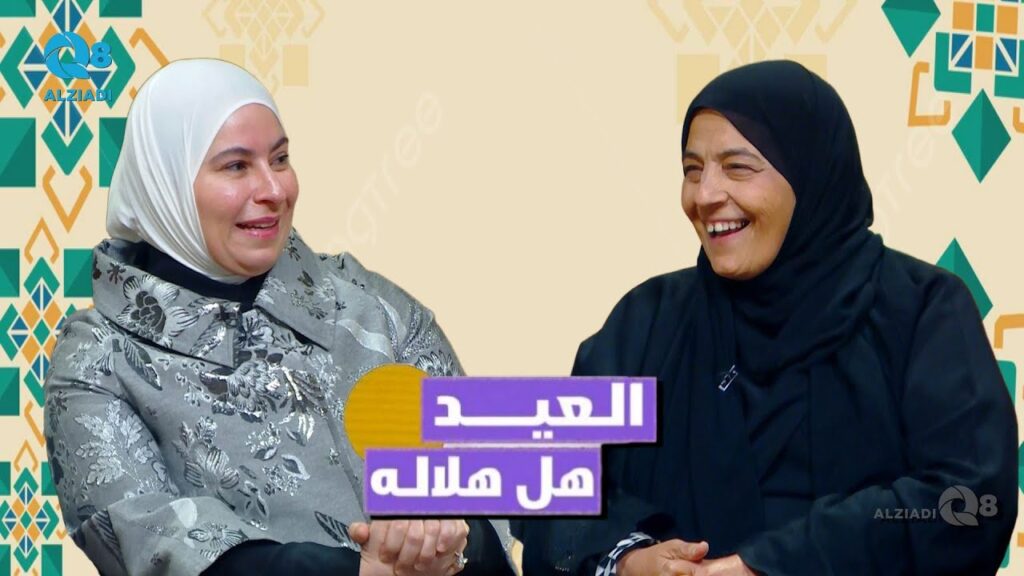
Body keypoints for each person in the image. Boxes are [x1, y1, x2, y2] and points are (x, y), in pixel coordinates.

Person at [517, 60, 1017, 575]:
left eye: (737, 167)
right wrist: (627, 559)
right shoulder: (649, 321)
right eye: (692, 169)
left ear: (810, 175)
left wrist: (770, 565)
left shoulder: (920, 313)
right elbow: (547, 478)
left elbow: (970, 501)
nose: (705, 195)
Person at [43, 59, 517, 576]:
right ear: (165, 185)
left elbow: (485, 472)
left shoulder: (369, 303)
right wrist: (363, 571)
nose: (274, 189)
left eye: (281, 159)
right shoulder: (99, 360)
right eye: (236, 166)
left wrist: (448, 539)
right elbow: (146, 537)